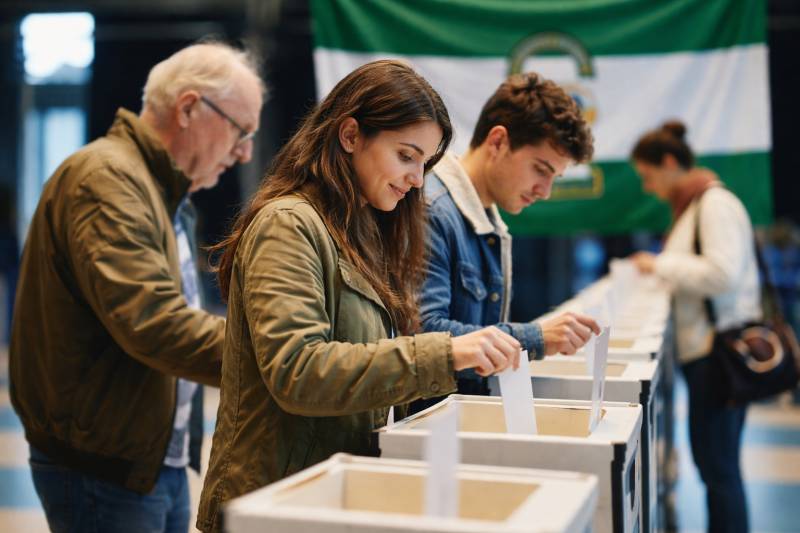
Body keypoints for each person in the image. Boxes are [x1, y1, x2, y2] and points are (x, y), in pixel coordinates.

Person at [196, 59, 522, 532]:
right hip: (270, 507)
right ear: (350, 136)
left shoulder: (361, 230)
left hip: (324, 497)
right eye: (406, 156)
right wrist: (444, 353)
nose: (417, 179)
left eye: (425, 163)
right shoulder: (288, 224)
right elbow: (298, 371)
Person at [9, 42, 265, 532]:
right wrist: (278, 358)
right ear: (190, 107)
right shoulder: (107, 181)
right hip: (102, 467)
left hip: (144, 460)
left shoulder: (163, 190)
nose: (245, 151)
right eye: (241, 130)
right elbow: (154, 322)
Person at [414, 72, 600, 406]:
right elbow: (425, 340)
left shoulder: (485, 218)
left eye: (554, 178)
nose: (544, 192)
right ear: (498, 142)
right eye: (540, 170)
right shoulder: (433, 210)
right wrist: (536, 337)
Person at [629, 121, 760, 533]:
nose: (648, 188)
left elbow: (723, 274)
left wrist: (659, 264)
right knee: (715, 465)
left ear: (669, 163)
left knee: (718, 468)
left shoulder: (714, 204)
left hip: (716, 353)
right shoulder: (693, 208)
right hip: (702, 351)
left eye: (648, 177)